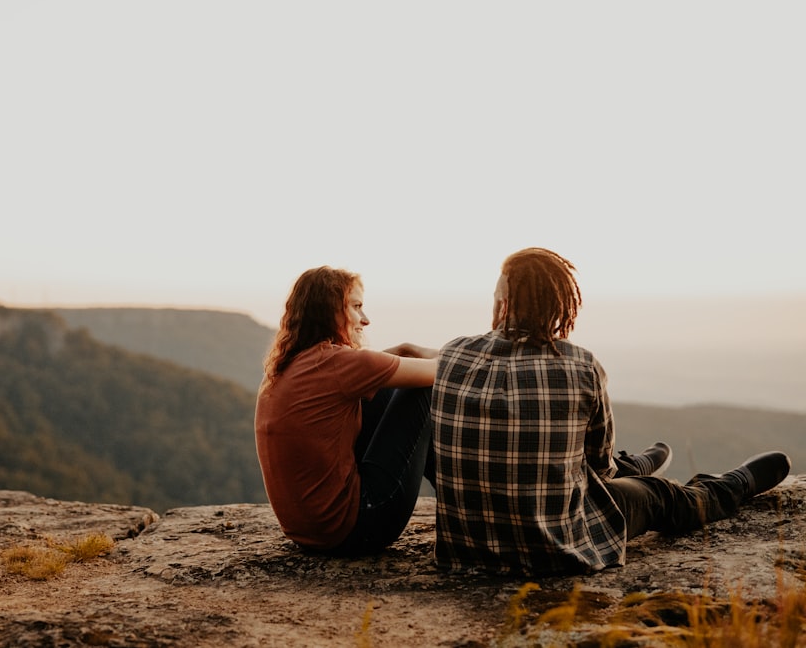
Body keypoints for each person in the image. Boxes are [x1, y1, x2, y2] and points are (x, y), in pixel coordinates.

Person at [431, 247, 791, 576]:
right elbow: (600, 468)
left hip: (466, 553)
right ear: (560, 307)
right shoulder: (579, 364)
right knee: (659, 495)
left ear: (501, 306)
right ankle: (731, 487)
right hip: (555, 549)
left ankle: (635, 466)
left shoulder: (452, 354)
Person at [254, 266, 439, 556]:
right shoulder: (341, 365)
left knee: (384, 388)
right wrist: (481, 349)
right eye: (356, 307)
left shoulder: (292, 365)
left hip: (309, 533)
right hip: (359, 526)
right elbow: (442, 371)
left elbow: (380, 365)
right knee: (421, 393)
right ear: (330, 311)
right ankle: (468, 510)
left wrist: (405, 348)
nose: (365, 320)